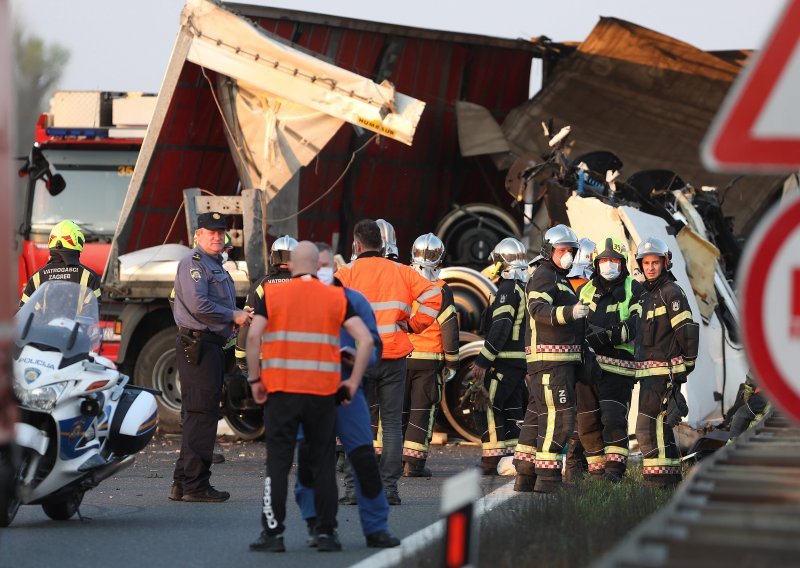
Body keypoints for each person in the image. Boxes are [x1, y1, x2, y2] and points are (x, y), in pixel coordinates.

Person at [246, 241, 374, 553]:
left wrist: (254, 380)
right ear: (318, 266)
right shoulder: (334, 296)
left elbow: (252, 336)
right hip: (322, 395)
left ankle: (273, 534)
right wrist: (353, 383)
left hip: (281, 392)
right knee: (322, 464)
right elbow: (366, 340)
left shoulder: (273, 294)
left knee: (277, 464)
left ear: (289, 265)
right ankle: (327, 533)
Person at [293, 242, 400, 549]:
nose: (321, 271)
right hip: (309, 393)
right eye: (317, 265)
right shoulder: (297, 302)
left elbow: (375, 347)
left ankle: (376, 527)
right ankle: (317, 524)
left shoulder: (354, 301)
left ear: (336, 267)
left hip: (346, 393)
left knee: (364, 460)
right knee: (311, 462)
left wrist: (356, 357)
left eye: (326, 265)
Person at [335, 220, 442, 505]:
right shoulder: (402, 272)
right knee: (392, 425)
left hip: (358, 358)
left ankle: (353, 490)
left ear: (357, 245)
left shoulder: (345, 274)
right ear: (383, 246)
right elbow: (434, 295)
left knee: (357, 423)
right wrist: (414, 325)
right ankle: (390, 490)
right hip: (394, 355)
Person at [169, 212, 252, 503]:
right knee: (202, 415)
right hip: (199, 345)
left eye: (220, 232)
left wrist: (237, 316)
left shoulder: (215, 265)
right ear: (198, 234)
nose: (216, 236)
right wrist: (234, 315)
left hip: (210, 346)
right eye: (210, 232)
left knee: (198, 414)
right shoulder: (193, 265)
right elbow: (199, 304)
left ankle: (182, 483)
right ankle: (196, 486)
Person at [513, 224, 587, 493]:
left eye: (571, 251)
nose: (568, 255)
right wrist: (570, 313)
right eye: (563, 250)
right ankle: (548, 477)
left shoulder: (557, 277)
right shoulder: (545, 275)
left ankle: (525, 474)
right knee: (560, 417)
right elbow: (538, 309)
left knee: (535, 417)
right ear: (548, 250)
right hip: (551, 362)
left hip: (549, 362)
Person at [578, 237, 646, 483]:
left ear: (622, 263)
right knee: (587, 420)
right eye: (604, 260)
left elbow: (637, 324)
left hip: (619, 368)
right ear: (596, 264)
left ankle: (615, 471)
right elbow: (576, 325)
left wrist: (606, 336)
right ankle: (597, 472)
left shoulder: (634, 288)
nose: (609, 265)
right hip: (588, 368)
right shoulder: (584, 290)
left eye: (614, 260)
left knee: (613, 418)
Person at [634, 236, 699, 488]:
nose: (650, 267)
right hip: (649, 375)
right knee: (659, 427)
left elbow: (687, 332)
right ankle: (670, 478)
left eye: (655, 262)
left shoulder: (671, 292)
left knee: (647, 427)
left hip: (664, 374)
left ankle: (657, 481)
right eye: (646, 262)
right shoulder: (646, 295)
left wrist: (682, 372)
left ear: (665, 263)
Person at [402, 233, 459, 478]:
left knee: (396, 411)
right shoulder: (441, 290)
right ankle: (413, 465)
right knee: (422, 411)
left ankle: (390, 460)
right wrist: (452, 361)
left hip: (401, 357)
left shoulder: (401, 283)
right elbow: (449, 328)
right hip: (430, 360)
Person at [471, 238, 528, 475]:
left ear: (501, 264)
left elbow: (501, 328)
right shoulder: (521, 289)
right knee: (513, 408)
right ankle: (512, 459)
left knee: (487, 406)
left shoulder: (506, 291)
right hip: (518, 362)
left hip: (503, 361)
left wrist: (482, 361)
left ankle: (491, 460)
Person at [235, 235, 298, 371]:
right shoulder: (307, 284)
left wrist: (242, 360)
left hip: (267, 359)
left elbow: (247, 320)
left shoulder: (262, 284)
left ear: (273, 257)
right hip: (299, 358)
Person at [20, 220, 101, 306]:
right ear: (78, 242)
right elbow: (93, 313)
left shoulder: (37, 277)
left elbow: (25, 311)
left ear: (51, 242)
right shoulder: (89, 276)